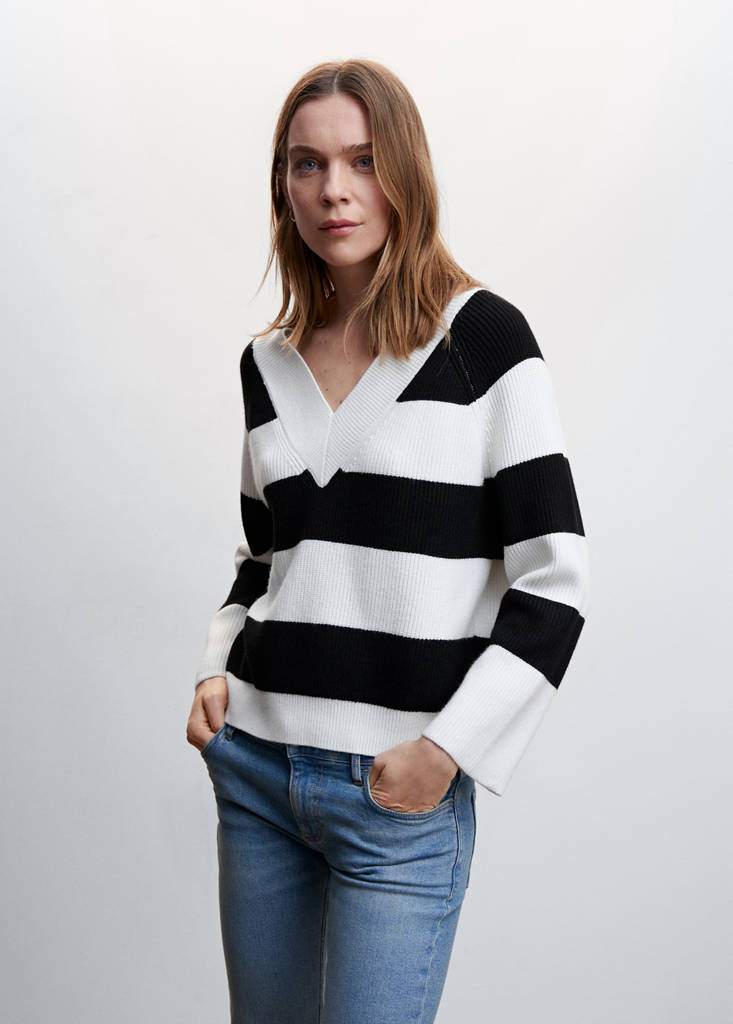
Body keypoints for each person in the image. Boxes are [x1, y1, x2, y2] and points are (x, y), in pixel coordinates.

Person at [186, 58, 591, 1024]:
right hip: (257, 772)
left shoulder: (482, 340)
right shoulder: (266, 363)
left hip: (394, 798)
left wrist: (447, 750)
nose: (334, 189)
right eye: (308, 164)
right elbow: (263, 559)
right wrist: (213, 667)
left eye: (363, 160)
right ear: (283, 186)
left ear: (404, 170)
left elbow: (554, 580)